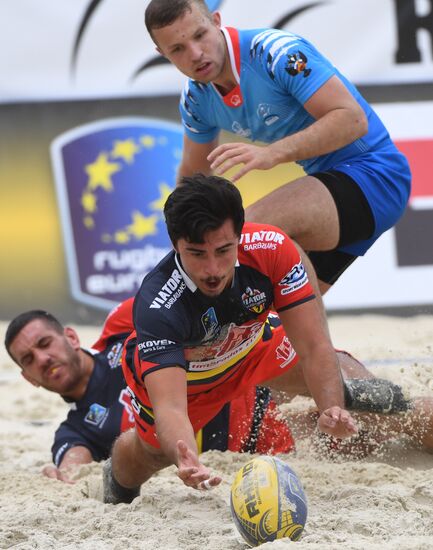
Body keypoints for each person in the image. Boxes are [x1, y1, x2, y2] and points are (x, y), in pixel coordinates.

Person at [103, 173, 386, 503]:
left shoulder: (271, 248)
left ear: (239, 234)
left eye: (223, 250)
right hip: (193, 383)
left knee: (345, 378)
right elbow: (171, 407)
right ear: (175, 245)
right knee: (152, 455)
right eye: (196, 253)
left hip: (252, 346)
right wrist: (187, 458)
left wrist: (331, 407)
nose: (213, 269)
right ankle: (116, 482)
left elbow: (313, 345)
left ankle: (403, 414)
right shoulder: (158, 305)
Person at [144, 0, 411, 294]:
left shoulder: (275, 52)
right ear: (162, 54)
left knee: (236, 238)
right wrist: (179, 232)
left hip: (374, 176)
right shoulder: (195, 98)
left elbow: (353, 120)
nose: (195, 54)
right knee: (271, 322)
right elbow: (195, 173)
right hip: (331, 196)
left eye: (199, 35)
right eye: (177, 49)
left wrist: (272, 154)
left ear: (217, 21)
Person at [3, 298, 296, 482]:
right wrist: (62, 477)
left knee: (335, 384)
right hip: (255, 450)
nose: (42, 359)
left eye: (44, 344)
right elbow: (74, 470)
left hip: (264, 386)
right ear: (30, 379)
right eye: (29, 360)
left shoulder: (119, 325)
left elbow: (192, 304)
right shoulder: (75, 430)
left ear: (71, 336)